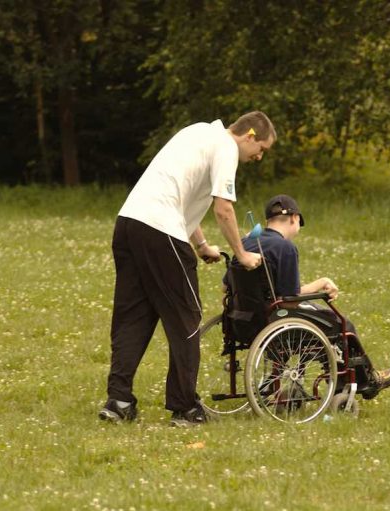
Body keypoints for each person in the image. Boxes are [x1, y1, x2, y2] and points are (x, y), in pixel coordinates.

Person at [99, 111, 276, 427]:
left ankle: (118, 401)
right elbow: (224, 209)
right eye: (261, 148)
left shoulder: (198, 133)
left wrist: (202, 245)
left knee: (132, 316)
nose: (259, 156)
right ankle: (185, 408)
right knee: (186, 318)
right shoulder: (226, 147)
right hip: (160, 229)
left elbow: (179, 197)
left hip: (128, 224)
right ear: (249, 135)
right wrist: (242, 254)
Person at [227, 194, 390, 400]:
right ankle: (365, 381)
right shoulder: (285, 248)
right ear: (294, 218)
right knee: (342, 325)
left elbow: (226, 286)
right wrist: (322, 283)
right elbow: (290, 300)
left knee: (317, 316)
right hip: (275, 321)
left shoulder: (245, 244)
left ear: (268, 221)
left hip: (243, 323)